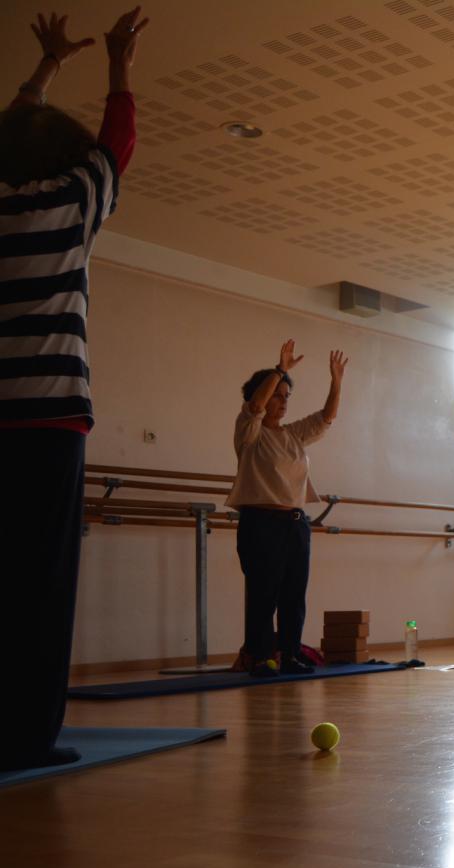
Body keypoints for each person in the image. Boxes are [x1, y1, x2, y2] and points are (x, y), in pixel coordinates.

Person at [0, 8, 146, 771]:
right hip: (50, 424)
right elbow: (116, 143)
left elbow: (14, 129)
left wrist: (43, 69)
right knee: (41, 586)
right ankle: (26, 737)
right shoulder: (70, 204)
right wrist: (117, 63)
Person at [227, 341, 347, 675]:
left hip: (295, 524)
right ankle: (263, 657)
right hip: (260, 523)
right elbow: (255, 407)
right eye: (277, 395)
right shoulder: (248, 432)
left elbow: (327, 418)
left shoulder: (293, 436)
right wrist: (279, 370)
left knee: (294, 595)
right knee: (264, 595)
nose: (282, 402)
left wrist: (336, 381)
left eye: (286, 396)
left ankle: (290, 654)